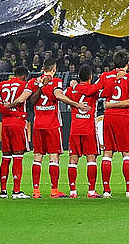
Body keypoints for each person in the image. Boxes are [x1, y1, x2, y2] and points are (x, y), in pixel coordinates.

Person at [17, 58, 88, 198]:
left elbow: (29, 100)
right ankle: (54, 190)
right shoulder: (56, 81)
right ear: (54, 69)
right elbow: (58, 95)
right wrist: (76, 104)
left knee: (38, 156)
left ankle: (36, 190)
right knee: (53, 156)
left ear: (43, 68)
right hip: (52, 124)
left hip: (38, 124)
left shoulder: (33, 82)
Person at [97, 51, 129, 198]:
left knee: (108, 153)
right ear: (127, 65)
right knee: (126, 153)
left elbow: (99, 93)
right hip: (123, 117)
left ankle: (106, 190)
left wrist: (109, 105)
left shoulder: (104, 76)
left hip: (109, 118)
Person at [63, 66, 102, 197]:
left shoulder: (71, 90)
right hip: (89, 129)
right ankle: (91, 191)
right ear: (90, 77)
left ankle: (72, 191)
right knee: (91, 159)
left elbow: (61, 95)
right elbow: (103, 91)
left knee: (73, 160)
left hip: (75, 129)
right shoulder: (93, 91)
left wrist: (72, 86)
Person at [0, 67, 32, 198]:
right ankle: (16, 191)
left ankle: (3, 191)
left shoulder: (2, 85)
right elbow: (25, 100)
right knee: (18, 156)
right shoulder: (24, 85)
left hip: (5, 124)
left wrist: (7, 111)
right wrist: (16, 113)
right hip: (18, 122)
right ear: (24, 76)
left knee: (5, 157)